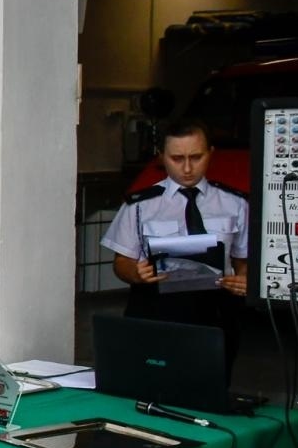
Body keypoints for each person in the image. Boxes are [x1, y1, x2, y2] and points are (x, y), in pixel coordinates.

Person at [101, 119, 249, 372]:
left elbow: (243, 260)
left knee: (211, 386)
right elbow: (121, 263)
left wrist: (245, 280)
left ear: (210, 154)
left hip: (216, 311)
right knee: (152, 384)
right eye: (177, 158)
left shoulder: (235, 203)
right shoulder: (139, 205)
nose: (188, 168)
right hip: (156, 310)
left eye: (196, 157)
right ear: (162, 157)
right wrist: (136, 273)